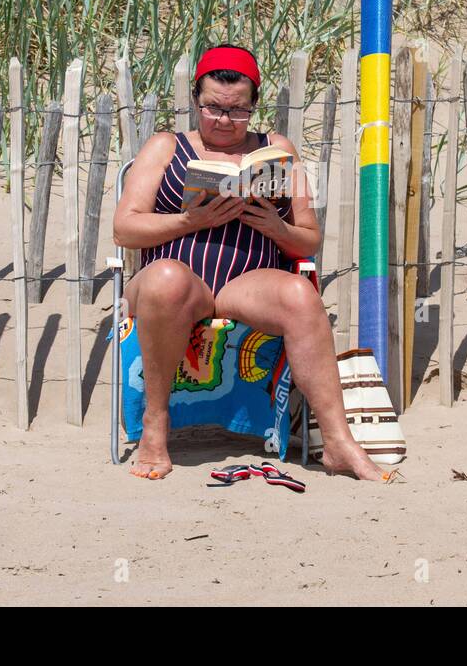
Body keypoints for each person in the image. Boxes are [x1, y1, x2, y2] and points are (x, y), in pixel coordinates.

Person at [112, 44, 386, 481]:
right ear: (195, 102)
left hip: (245, 282)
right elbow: (125, 229)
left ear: (254, 105)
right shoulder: (167, 147)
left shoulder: (276, 150)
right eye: (213, 109)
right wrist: (191, 220)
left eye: (238, 111)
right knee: (167, 279)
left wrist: (274, 226)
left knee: (299, 293)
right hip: (176, 279)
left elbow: (308, 239)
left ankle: (337, 442)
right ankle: (155, 425)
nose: (224, 121)